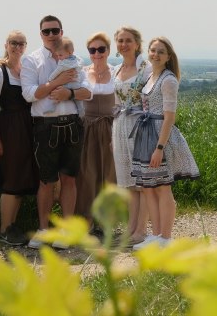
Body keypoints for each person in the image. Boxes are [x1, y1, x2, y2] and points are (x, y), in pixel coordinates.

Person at [21, 15, 92, 249]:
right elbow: (29, 94)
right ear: (40, 34)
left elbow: (88, 92)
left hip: (72, 122)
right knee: (46, 180)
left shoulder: (75, 59)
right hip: (45, 125)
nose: (51, 35)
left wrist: (69, 94)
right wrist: (56, 82)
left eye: (55, 30)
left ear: (62, 31)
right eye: (46, 31)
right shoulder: (32, 60)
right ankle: (43, 231)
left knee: (69, 179)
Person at [132, 36, 200, 249]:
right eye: (153, 50)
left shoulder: (168, 79)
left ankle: (166, 238)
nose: (156, 54)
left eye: (161, 51)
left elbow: (169, 116)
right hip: (146, 133)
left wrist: (159, 148)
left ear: (168, 56)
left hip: (160, 135)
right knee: (149, 187)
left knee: (163, 188)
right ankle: (156, 235)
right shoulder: (152, 75)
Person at [0, 30, 38, 246]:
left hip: (26, 128)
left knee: (20, 178)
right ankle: (3, 229)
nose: (17, 47)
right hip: (9, 128)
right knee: (10, 178)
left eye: (21, 43)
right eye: (13, 43)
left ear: (26, 46)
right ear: (6, 44)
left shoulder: (26, 70)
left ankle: (12, 226)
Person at [112, 26, 152, 245]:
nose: (124, 44)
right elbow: (116, 103)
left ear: (137, 43)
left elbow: (153, 100)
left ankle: (141, 230)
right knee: (127, 182)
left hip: (140, 125)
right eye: (120, 40)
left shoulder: (145, 69)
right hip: (119, 126)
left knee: (142, 181)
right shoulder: (116, 69)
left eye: (128, 40)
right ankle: (130, 228)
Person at [75, 32, 117, 230]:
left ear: (108, 51)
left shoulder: (116, 72)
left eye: (101, 49)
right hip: (88, 127)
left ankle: (106, 219)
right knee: (87, 173)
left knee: (109, 174)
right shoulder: (82, 72)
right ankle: (86, 217)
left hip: (110, 127)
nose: (97, 53)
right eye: (92, 50)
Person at [45, 37, 84, 116]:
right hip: (76, 84)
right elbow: (81, 64)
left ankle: (52, 107)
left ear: (69, 53)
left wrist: (50, 79)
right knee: (78, 101)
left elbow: (56, 72)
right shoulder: (76, 59)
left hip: (68, 84)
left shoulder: (64, 64)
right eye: (58, 55)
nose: (59, 57)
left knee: (56, 91)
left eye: (60, 55)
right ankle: (82, 112)